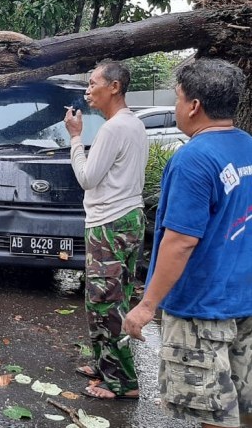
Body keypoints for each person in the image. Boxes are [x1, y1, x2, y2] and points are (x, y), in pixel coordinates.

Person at [125, 59, 252, 428]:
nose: (177, 106)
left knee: (211, 412)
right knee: (243, 406)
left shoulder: (194, 159)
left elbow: (180, 241)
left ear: (194, 105)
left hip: (202, 308)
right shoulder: (247, 146)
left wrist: (147, 306)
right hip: (243, 299)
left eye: (178, 98)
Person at [63, 60, 147, 400]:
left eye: (93, 82)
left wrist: (75, 138)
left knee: (103, 303)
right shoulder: (134, 124)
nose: (87, 89)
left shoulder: (113, 129)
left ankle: (122, 383)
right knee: (117, 297)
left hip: (109, 223)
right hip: (129, 217)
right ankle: (104, 363)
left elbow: (87, 178)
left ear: (114, 87)